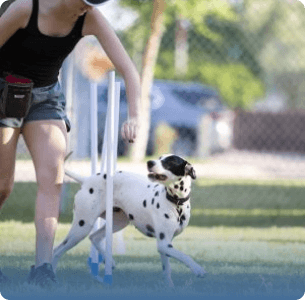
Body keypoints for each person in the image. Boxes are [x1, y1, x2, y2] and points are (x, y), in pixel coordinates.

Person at [0, 0, 140, 287]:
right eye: (85, 1)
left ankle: (43, 267)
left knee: (53, 177)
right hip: (5, 93)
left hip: (46, 99)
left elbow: (128, 70)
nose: (87, 8)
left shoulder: (90, 18)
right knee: (2, 185)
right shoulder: (26, 8)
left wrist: (135, 115)